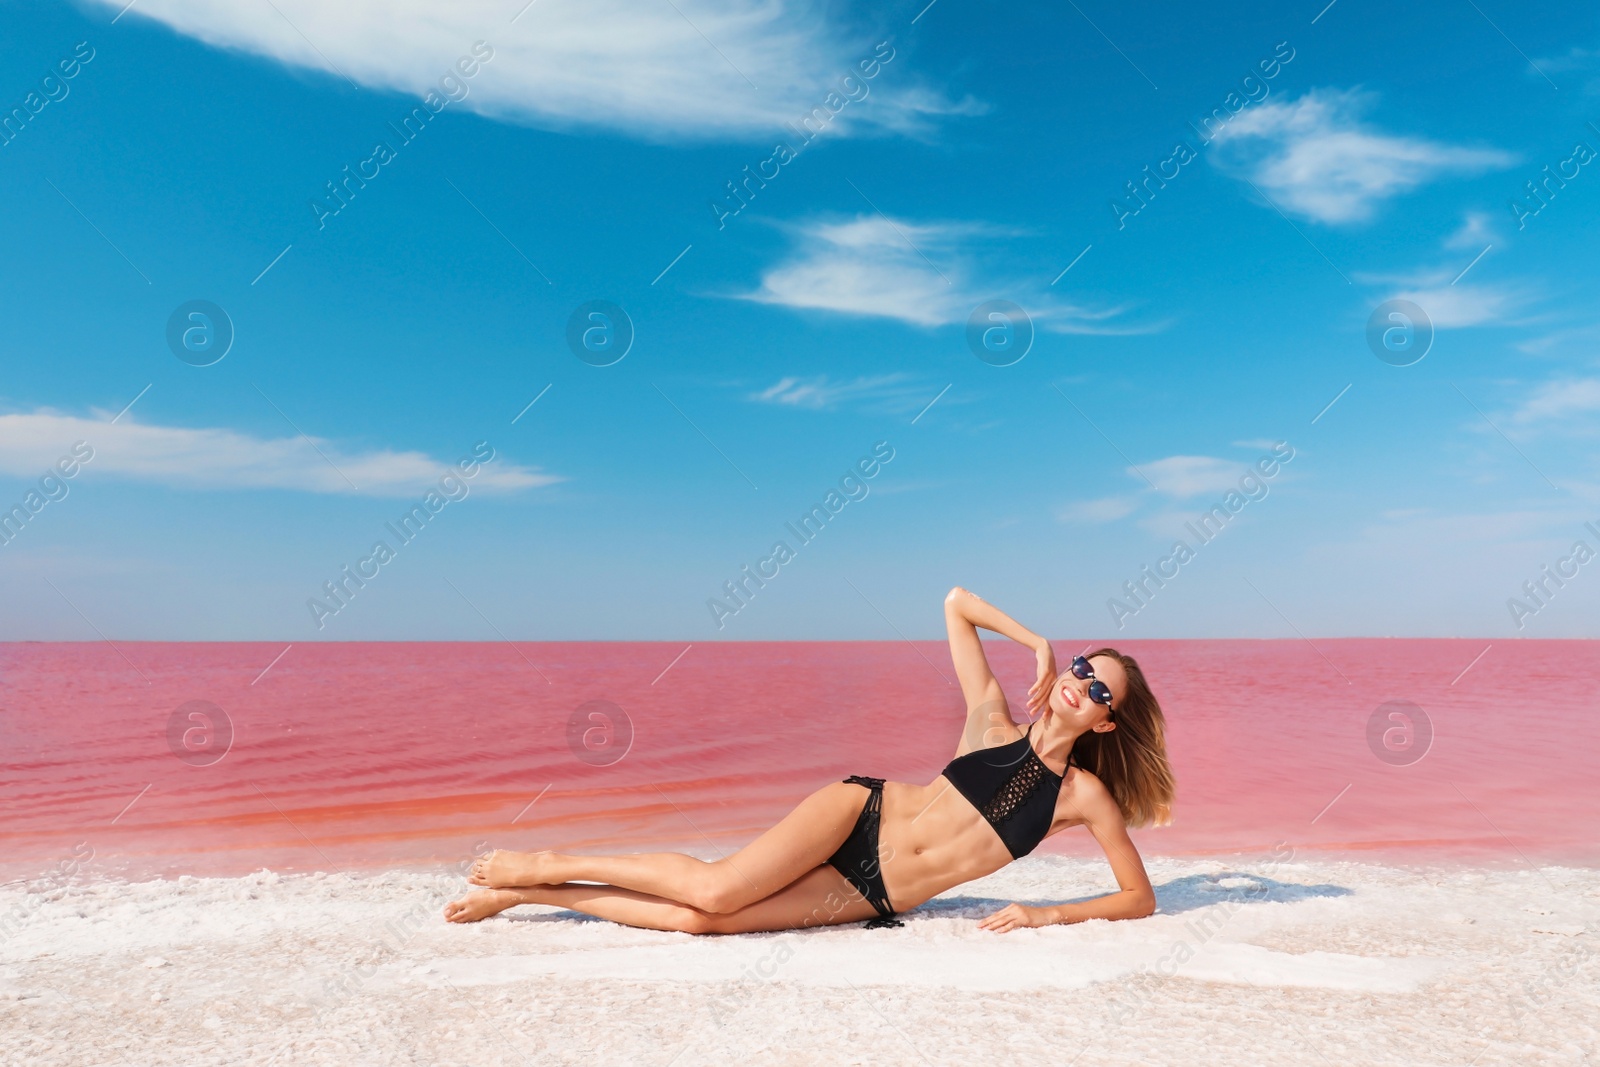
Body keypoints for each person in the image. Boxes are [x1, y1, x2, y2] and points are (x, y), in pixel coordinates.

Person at [443, 586, 1174, 933]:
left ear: (1109, 720)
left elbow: (1137, 898)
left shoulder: (1081, 797)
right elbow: (955, 602)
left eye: (1098, 686)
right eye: (1081, 665)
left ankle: (531, 894)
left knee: (704, 924)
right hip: (860, 811)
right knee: (717, 888)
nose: (1079, 683)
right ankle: (539, 860)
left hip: (878, 892)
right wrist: (1033, 640)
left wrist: (1042, 913)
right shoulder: (992, 719)